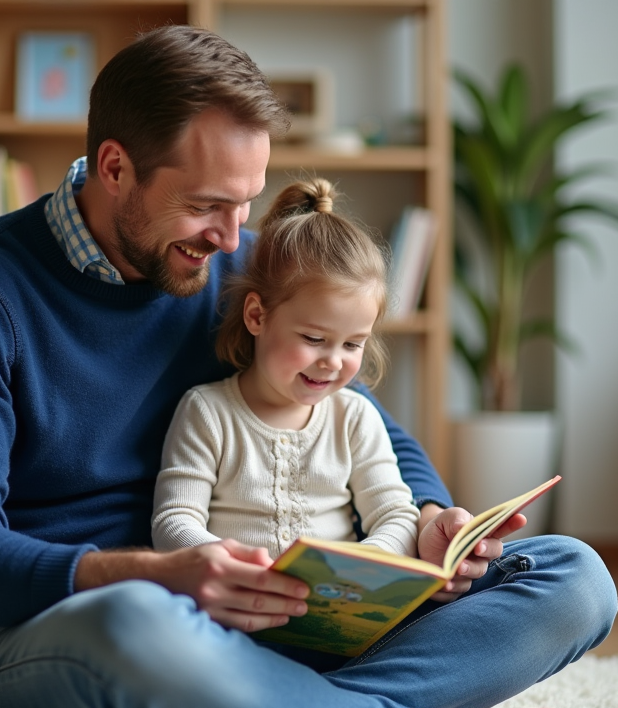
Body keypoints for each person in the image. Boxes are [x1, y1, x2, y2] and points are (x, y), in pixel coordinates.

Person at [0, 24, 618, 708]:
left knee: (574, 580)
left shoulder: (234, 263)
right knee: (136, 622)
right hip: (52, 638)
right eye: (207, 205)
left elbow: (359, 417)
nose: (234, 237)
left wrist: (435, 522)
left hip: (252, 625)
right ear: (115, 168)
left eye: (245, 204)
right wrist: (154, 575)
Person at [152, 177, 427, 560]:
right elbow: (174, 521)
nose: (333, 361)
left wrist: (361, 565)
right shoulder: (207, 413)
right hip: (238, 592)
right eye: (314, 338)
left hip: (339, 593)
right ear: (256, 316)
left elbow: (397, 516)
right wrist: (232, 564)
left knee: (522, 561)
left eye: (352, 344)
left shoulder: (354, 418)